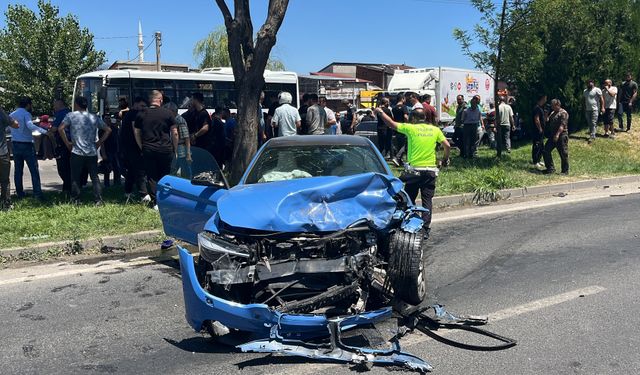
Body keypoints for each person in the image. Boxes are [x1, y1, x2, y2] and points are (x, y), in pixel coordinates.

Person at [375, 107, 450, 237]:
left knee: (409, 199)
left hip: (414, 172)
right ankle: (425, 229)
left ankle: (410, 222)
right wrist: (444, 159)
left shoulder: (411, 128)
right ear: (425, 118)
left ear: (414, 118)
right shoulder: (435, 130)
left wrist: (381, 112)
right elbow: (447, 145)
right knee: (427, 200)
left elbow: (391, 124)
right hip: (430, 171)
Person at [58, 96, 111, 205]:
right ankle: (98, 200)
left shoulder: (71, 116)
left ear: (76, 104)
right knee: (94, 177)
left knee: (75, 177)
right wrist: (99, 143)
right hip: (91, 151)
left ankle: (76, 199)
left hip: (77, 151)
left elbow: (60, 128)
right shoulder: (93, 117)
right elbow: (108, 130)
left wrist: (67, 142)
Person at [134, 90, 176, 208]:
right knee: (166, 175)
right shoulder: (168, 113)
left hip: (148, 149)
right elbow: (174, 132)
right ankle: (166, 200)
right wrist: (175, 148)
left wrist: (141, 145)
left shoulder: (141, 113)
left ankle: (156, 202)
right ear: (160, 100)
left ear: (150, 100)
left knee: (152, 176)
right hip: (166, 149)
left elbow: (136, 132)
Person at [9, 97, 49, 200]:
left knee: (18, 170)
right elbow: (30, 126)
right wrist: (44, 131)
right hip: (26, 144)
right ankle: (37, 194)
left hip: (15, 144)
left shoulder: (12, 115)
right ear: (28, 105)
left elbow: (7, 128)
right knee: (34, 170)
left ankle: (19, 193)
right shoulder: (26, 114)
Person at [120, 97, 149, 202]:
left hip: (127, 147)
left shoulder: (128, 113)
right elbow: (135, 130)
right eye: (142, 106)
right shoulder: (134, 114)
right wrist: (141, 145)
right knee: (140, 170)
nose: (143, 108)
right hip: (134, 146)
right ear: (135, 104)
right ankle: (144, 194)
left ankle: (128, 192)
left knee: (132, 171)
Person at [164, 102, 191, 178]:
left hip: (181, 150)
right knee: (174, 170)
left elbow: (186, 138)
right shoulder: (172, 120)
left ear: (172, 111)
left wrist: (188, 153)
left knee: (185, 170)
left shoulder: (180, 121)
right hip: (175, 148)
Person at [543, 99, 569, 175]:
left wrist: (557, 134)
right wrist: (546, 114)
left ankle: (565, 171)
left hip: (561, 135)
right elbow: (547, 120)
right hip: (552, 135)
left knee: (563, 153)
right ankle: (550, 168)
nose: (552, 107)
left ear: (558, 105)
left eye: (553, 105)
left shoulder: (563, 113)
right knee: (546, 150)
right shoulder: (553, 113)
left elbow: (562, 125)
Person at [51, 99, 72, 193]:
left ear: (59, 105)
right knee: (70, 167)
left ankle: (67, 189)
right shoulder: (70, 113)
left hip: (63, 143)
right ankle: (70, 188)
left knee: (63, 168)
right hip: (72, 142)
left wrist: (48, 131)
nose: (54, 107)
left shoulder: (60, 114)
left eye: (54, 105)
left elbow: (55, 129)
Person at [0, 106, 19, 209]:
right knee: (4, 180)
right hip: (2, 153)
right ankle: (5, 204)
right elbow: (16, 125)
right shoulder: (1, 113)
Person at [391, 94, 410, 167]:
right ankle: (397, 158)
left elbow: (393, 118)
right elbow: (405, 116)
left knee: (399, 144)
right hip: (403, 127)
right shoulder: (404, 107)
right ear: (402, 99)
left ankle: (399, 161)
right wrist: (408, 123)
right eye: (404, 99)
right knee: (405, 144)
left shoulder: (394, 108)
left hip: (397, 127)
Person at [532, 95, 547, 169]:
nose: (546, 100)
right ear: (542, 98)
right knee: (537, 145)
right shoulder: (537, 108)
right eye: (545, 98)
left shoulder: (541, 108)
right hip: (537, 130)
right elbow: (536, 119)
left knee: (541, 145)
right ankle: (535, 161)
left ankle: (539, 159)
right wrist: (540, 128)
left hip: (542, 131)